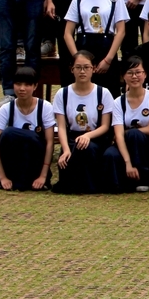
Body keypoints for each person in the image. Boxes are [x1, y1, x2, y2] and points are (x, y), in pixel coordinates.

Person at [63, 0, 129, 90]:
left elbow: (121, 31)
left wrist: (108, 59)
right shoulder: (78, 0)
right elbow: (67, 33)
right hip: (84, 48)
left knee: (109, 93)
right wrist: (78, 60)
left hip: (107, 51)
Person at [52, 50, 114, 194]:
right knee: (70, 156)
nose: (82, 71)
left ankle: (90, 185)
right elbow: (61, 126)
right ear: (71, 69)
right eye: (78, 67)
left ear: (93, 69)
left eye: (86, 67)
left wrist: (87, 136)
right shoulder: (63, 94)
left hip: (96, 139)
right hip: (72, 140)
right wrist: (65, 149)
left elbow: (105, 126)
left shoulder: (103, 93)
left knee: (86, 147)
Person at [0, 67, 55, 191]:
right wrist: (3, 177)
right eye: (18, 84)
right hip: (13, 160)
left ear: (35, 86)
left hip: (35, 160)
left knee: (31, 137)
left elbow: (50, 143)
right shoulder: (6, 109)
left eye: (27, 85)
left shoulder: (45, 107)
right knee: (8, 134)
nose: (22, 88)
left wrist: (43, 176)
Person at [101, 57, 149, 193]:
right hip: (125, 144)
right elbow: (118, 136)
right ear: (123, 76)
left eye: (138, 72)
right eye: (130, 73)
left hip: (148, 146)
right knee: (110, 154)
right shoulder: (118, 102)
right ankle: (121, 183)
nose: (134, 76)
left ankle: (143, 178)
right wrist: (128, 163)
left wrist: (127, 132)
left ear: (145, 74)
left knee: (134, 134)